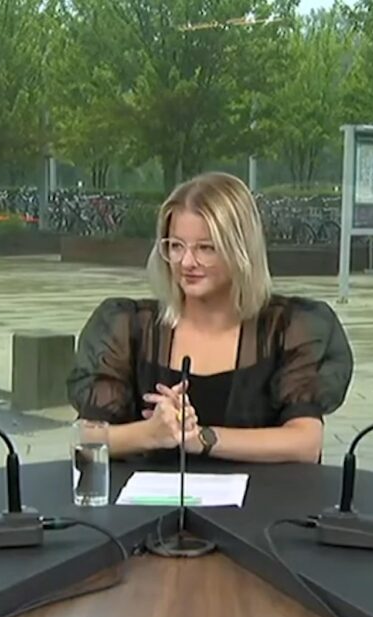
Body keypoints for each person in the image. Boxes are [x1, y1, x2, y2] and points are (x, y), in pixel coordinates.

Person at [66, 172, 353, 464]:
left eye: (206, 248)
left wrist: (201, 438)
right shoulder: (127, 327)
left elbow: (304, 443)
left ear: (241, 250)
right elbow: (86, 438)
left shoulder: (289, 328)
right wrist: (151, 433)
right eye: (176, 246)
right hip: (146, 493)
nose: (187, 262)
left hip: (262, 493)